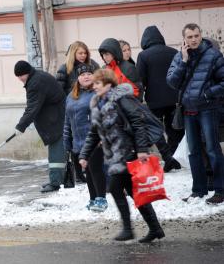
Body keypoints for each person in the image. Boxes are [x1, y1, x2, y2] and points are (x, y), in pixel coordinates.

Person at [79, 69, 165, 243]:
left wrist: (141, 149)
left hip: (128, 152)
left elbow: (138, 123)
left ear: (108, 84)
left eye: (97, 83)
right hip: (115, 155)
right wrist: (84, 155)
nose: (93, 86)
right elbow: (94, 133)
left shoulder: (122, 99)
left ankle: (128, 229)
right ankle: (155, 228)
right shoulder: (97, 104)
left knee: (115, 188)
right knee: (134, 192)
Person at [167, 23, 224, 205]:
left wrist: (207, 94)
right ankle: (198, 190)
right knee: (194, 152)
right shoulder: (179, 57)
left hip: (208, 109)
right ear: (184, 38)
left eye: (196, 36)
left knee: (213, 150)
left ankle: (220, 190)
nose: (193, 40)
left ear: (201, 36)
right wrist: (183, 61)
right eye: (190, 37)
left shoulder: (213, 55)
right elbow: (172, 82)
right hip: (188, 111)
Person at [14, 60, 66, 193]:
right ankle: (56, 180)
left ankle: (55, 183)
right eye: (18, 77)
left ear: (26, 73)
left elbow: (32, 108)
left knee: (56, 153)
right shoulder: (37, 77)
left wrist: (21, 126)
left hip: (56, 120)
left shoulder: (36, 83)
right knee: (56, 151)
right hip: (54, 118)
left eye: (21, 76)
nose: (20, 79)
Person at [137, 25, 183, 172]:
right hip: (174, 97)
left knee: (155, 129)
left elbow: (140, 80)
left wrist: (139, 99)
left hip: (154, 100)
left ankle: (167, 156)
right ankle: (173, 157)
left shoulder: (143, 56)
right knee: (173, 129)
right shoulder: (174, 52)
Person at [63, 63, 107, 211]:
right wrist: (67, 140)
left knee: (95, 168)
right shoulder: (71, 96)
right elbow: (67, 121)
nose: (86, 76)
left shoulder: (97, 93)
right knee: (87, 171)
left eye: (89, 74)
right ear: (78, 78)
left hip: (95, 139)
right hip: (78, 140)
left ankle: (101, 198)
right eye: (82, 75)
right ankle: (93, 198)